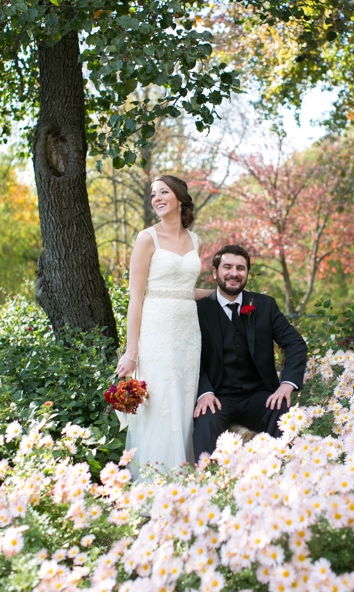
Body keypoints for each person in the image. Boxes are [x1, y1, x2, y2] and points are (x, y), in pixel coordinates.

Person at [115, 175, 205, 480]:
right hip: (156, 332)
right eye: (154, 194)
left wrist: (225, 295)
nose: (157, 198)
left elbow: (186, 290)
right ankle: (155, 486)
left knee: (182, 406)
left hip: (189, 336)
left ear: (180, 198)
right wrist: (131, 352)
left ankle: (183, 481)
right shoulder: (146, 238)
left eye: (164, 192)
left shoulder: (196, 241)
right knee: (160, 405)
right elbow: (136, 298)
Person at [192, 244, 308, 462]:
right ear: (215, 272)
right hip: (218, 396)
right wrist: (204, 391)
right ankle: (203, 482)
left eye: (240, 268)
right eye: (227, 267)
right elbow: (189, 358)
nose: (234, 273)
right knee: (205, 422)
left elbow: (295, 343)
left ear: (246, 273)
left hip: (258, 395)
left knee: (283, 413)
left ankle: (281, 472)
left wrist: (287, 384)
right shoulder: (198, 311)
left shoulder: (265, 305)